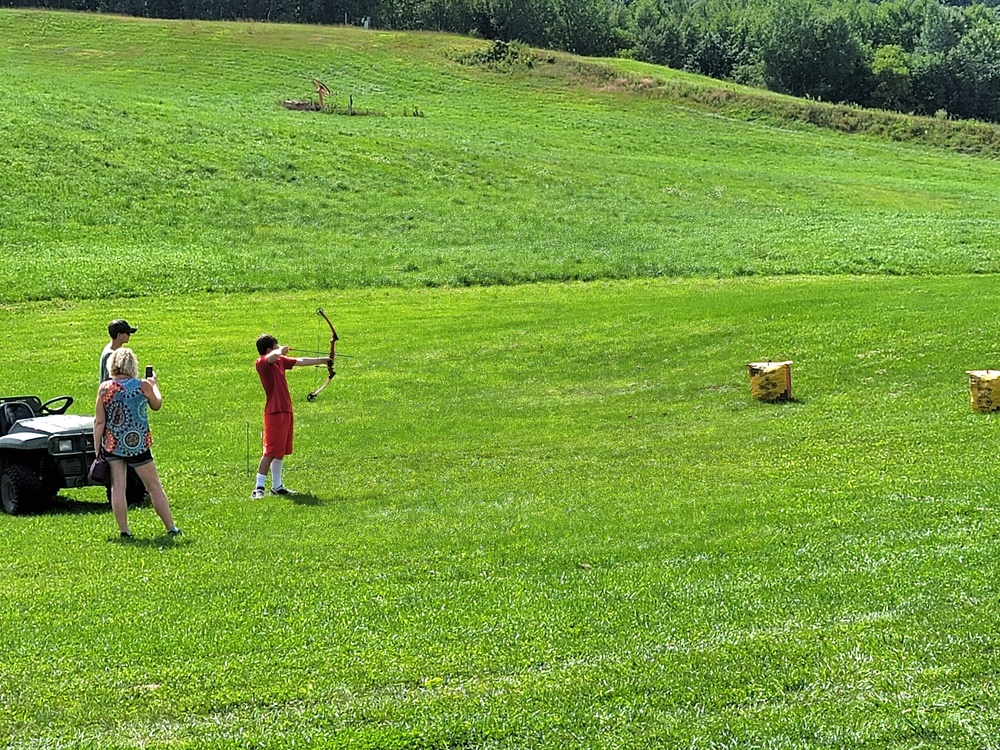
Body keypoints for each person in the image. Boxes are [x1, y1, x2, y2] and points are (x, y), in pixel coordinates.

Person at [93, 347, 180, 539]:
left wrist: (97, 446)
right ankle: (170, 527)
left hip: (113, 443)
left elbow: (99, 421)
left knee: (118, 487)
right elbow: (157, 405)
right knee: (153, 486)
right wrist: (154, 384)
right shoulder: (142, 386)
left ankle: (124, 530)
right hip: (138, 442)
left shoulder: (105, 388)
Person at [252, 334, 331, 498]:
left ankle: (277, 486)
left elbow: (300, 360)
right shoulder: (262, 363)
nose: (278, 348)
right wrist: (280, 350)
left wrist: (324, 360)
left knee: (280, 450)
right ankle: (258, 489)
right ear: (269, 349)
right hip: (274, 411)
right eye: (275, 346)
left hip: (286, 409)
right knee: (270, 451)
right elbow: (272, 356)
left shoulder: (280, 361)